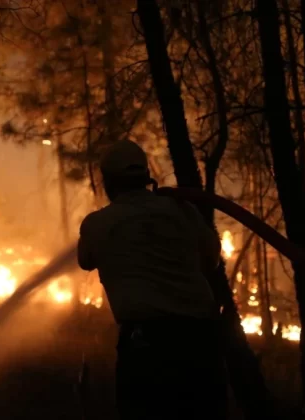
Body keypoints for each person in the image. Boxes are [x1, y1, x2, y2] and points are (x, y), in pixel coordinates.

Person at [77, 140, 227, 420]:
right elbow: (212, 259)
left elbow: (85, 260)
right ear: (147, 177)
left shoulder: (98, 224)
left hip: (146, 348)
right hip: (200, 343)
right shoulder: (182, 211)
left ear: (107, 182)